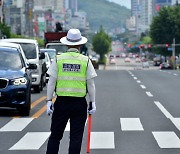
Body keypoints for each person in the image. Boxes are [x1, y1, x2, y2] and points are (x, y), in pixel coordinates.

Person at [46, 29, 97, 154]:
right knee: (76, 138)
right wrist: (93, 102)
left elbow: (51, 82)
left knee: (55, 136)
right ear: (80, 44)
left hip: (61, 103)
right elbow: (90, 84)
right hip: (79, 104)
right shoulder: (85, 61)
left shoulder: (58, 59)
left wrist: (48, 101)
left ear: (67, 44)